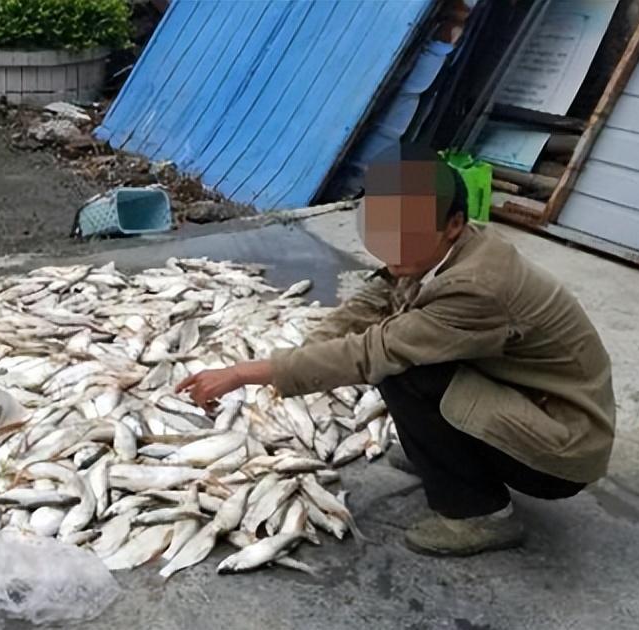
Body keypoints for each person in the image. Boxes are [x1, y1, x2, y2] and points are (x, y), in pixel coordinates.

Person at [176, 143, 615, 557]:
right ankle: (445, 452)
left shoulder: (476, 286)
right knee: (409, 363)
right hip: (526, 400)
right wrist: (307, 352)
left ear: (454, 223)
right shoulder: (445, 247)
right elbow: (374, 300)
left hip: (561, 449)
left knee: (404, 372)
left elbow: (373, 352)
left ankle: (482, 514)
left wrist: (245, 373)